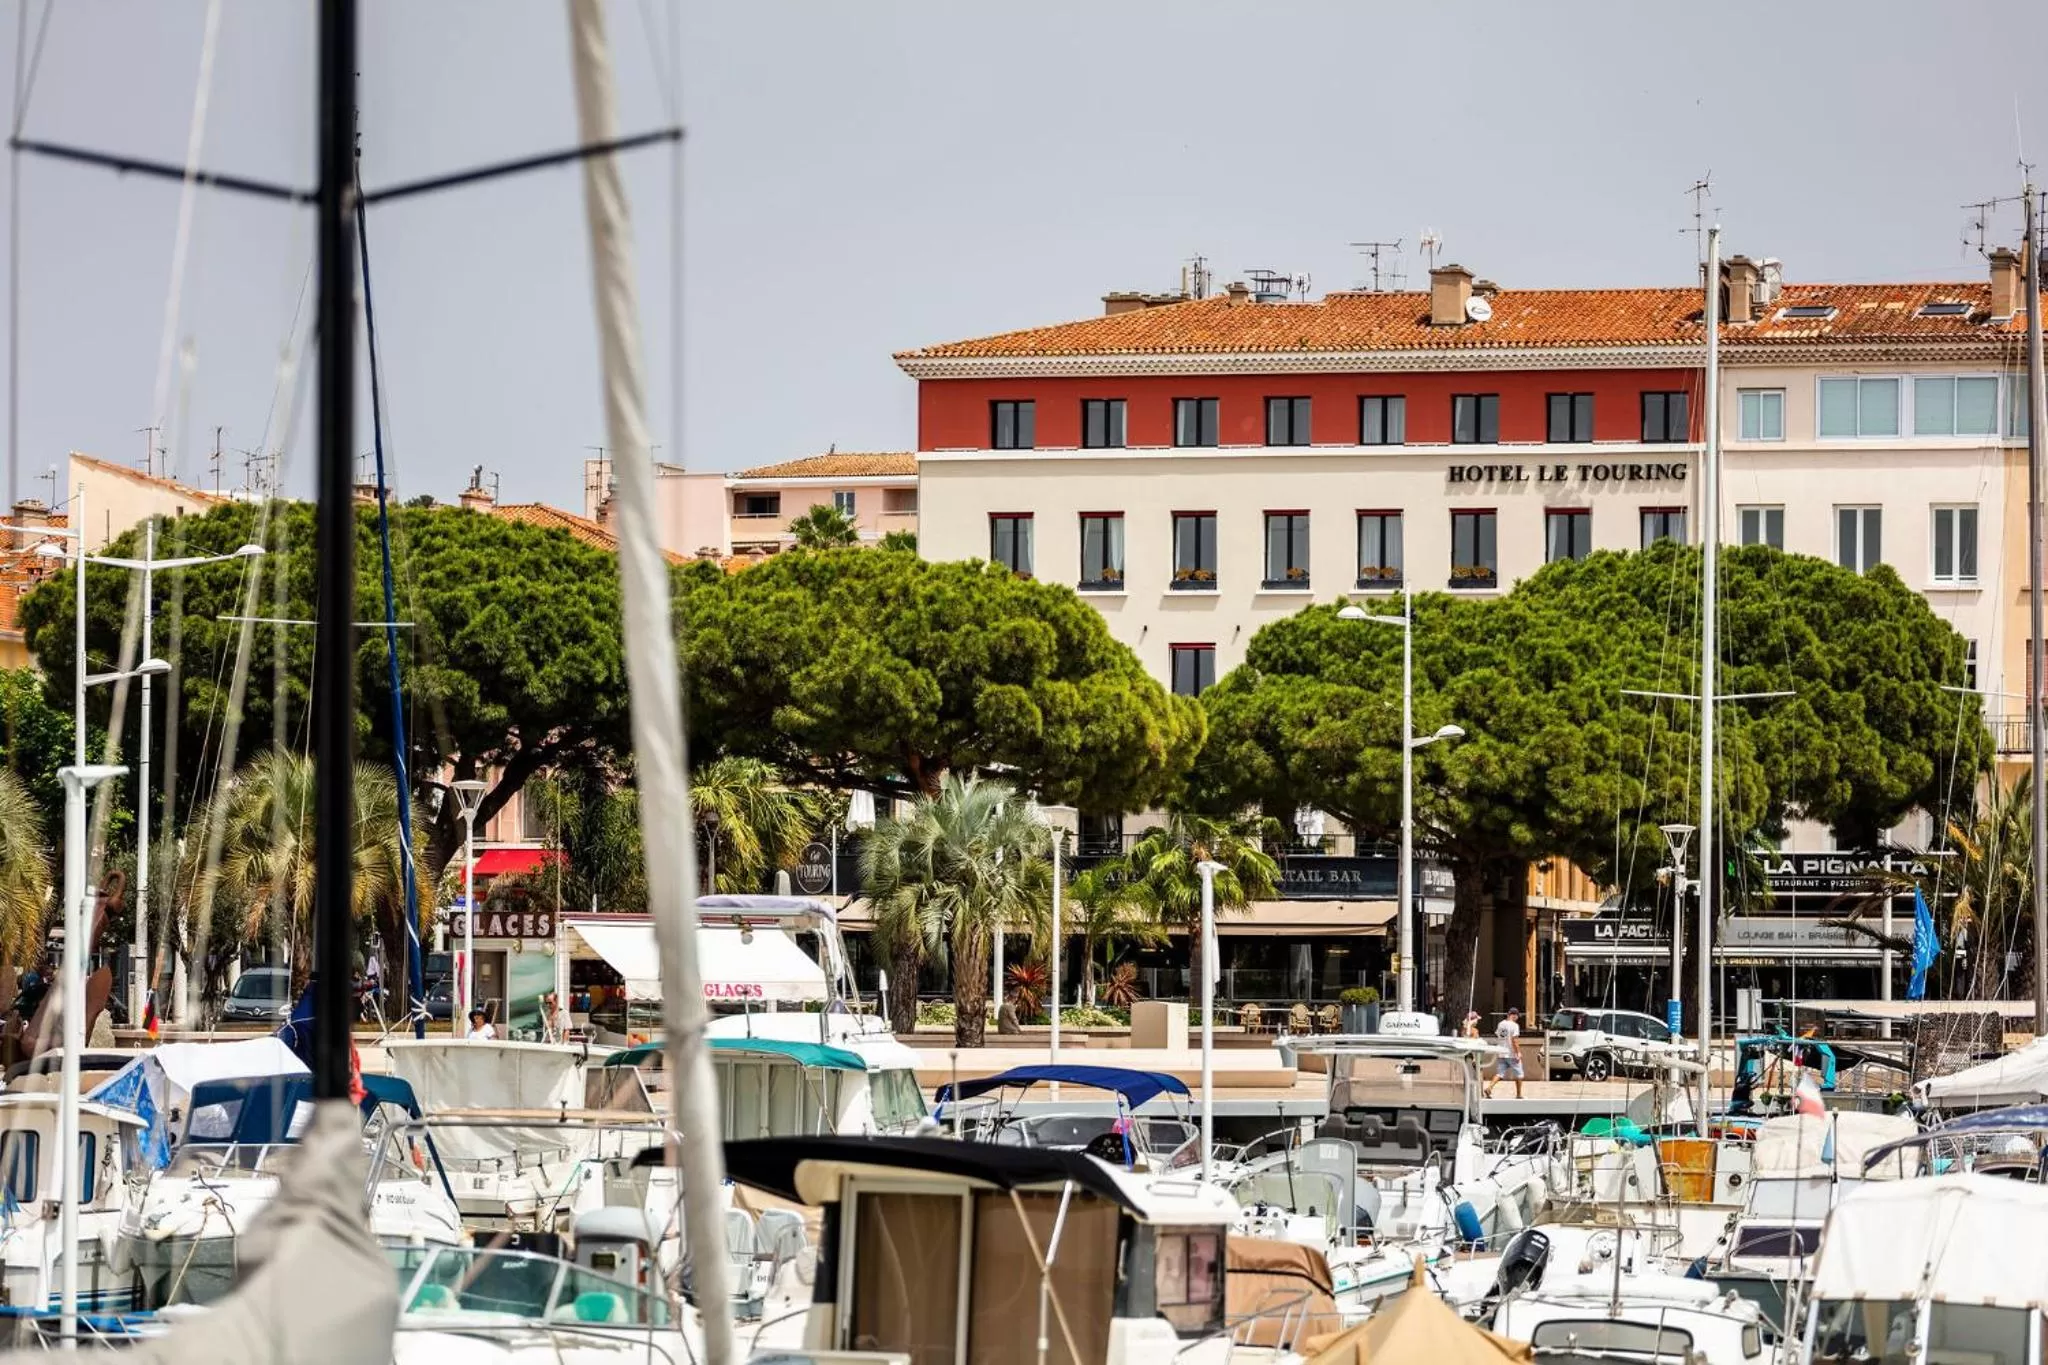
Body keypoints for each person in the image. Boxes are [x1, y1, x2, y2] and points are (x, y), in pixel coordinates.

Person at [1484, 1006, 1525, 1100]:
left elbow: (1499, 1035)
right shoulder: (1514, 1025)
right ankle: (1519, 1094)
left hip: (1501, 1052)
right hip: (1511, 1053)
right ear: (1514, 1015)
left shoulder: (1501, 1024)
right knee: (1519, 1074)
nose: (1517, 1018)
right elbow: (1514, 1040)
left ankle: (1489, 1087)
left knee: (1499, 1073)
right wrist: (1518, 1053)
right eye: (1517, 1016)